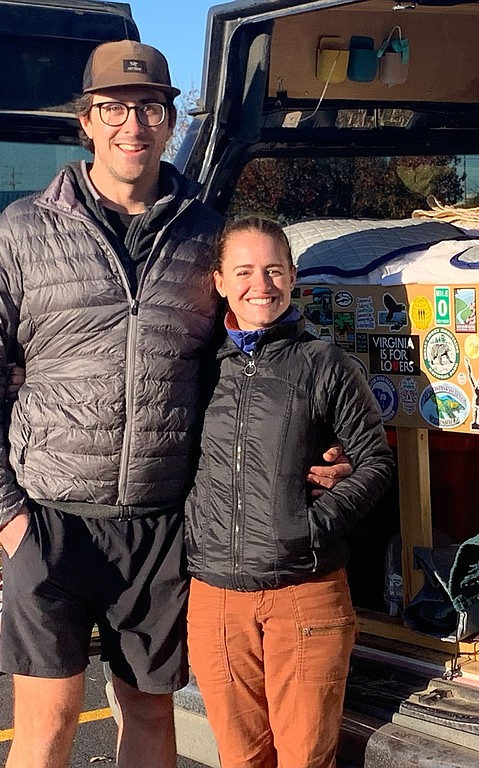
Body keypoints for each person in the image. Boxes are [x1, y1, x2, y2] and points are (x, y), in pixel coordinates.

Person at [0, 40, 350, 768]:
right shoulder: (23, 231)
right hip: (50, 520)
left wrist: (313, 437)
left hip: (160, 527)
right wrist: (7, 522)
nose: (134, 124)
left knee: (150, 718)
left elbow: (250, 350)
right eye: (115, 108)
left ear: (169, 121)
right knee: (49, 724)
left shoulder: (203, 236)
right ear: (87, 121)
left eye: (151, 108)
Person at [185, 216, 394, 768]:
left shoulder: (323, 363)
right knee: (240, 758)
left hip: (305, 592)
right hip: (216, 598)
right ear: (220, 281)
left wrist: (311, 527)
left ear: (293, 277)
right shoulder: (197, 367)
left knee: (304, 758)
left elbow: (375, 463)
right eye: (246, 271)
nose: (263, 285)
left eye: (275, 270)